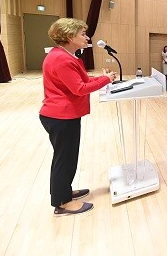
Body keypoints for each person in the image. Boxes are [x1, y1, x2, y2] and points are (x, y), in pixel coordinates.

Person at [40, 18, 116, 216]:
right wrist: (105, 80)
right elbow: (80, 88)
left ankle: (64, 191)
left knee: (67, 157)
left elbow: (81, 80)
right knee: (64, 159)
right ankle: (62, 203)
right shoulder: (62, 59)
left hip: (63, 115)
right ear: (69, 36)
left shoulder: (66, 56)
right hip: (61, 116)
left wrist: (103, 78)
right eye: (82, 34)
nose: (87, 37)